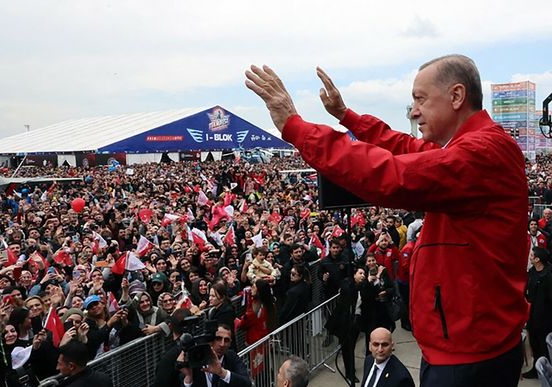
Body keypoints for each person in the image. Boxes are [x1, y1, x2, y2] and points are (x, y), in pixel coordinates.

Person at [246, 54, 528, 387]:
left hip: (471, 356)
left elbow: (395, 175)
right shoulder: (468, 147)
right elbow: (403, 147)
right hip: (465, 348)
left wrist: (296, 127)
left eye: (420, 99)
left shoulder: (482, 152)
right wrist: (346, 117)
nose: (413, 111)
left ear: (456, 96)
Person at [177, 324, 251, 387]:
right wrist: (189, 377)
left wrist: (222, 373)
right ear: (210, 340)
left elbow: (247, 383)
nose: (222, 344)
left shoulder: (231, 357)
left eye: (226, 340)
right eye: (218, 339)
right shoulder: (195, 358)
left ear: (230, 343)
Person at [522, 247, 552, 379]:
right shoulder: (532, 272)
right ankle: (536, 369)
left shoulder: (549, 276)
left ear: (538, 259)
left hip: (545, 319)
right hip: (532, 317)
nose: (530, 257)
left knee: (543, 346)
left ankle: (547, 372)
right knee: (534, 344)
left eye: (532, 255)